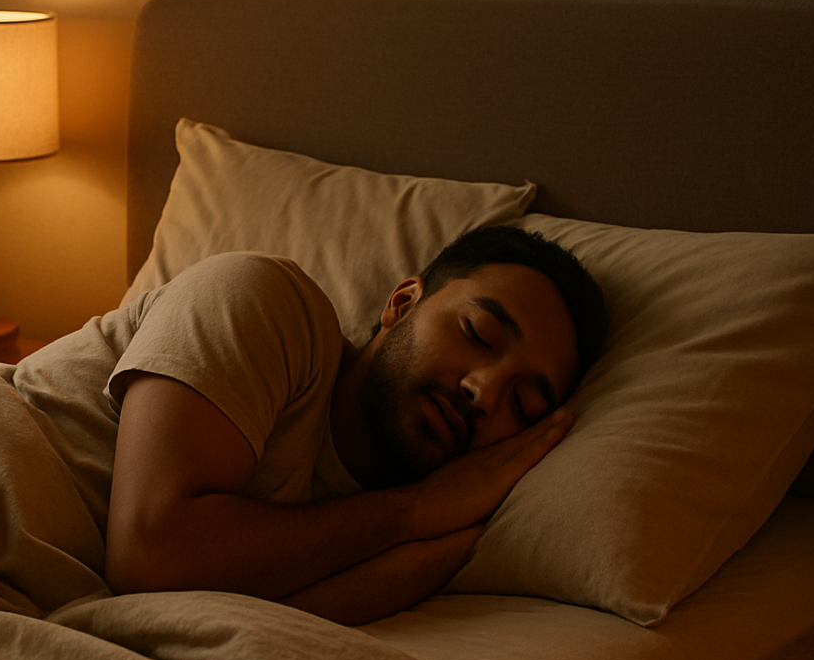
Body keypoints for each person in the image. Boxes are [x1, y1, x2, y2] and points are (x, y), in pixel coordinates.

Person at [48, 224, 607, 627]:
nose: (483, 393)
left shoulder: (443, 533)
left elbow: (253, 623)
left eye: (526, 404)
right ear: (402, 303)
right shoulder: (266, 300)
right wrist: (417, 508)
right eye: (478, 334)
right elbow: (151, 553)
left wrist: (430, 521)